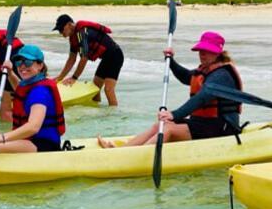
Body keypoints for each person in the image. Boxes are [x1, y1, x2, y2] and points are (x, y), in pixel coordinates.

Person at [98, 31, 242, 148]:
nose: (202, 54)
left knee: (169, 129)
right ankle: (122, 151)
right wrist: (171, 61)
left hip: (222, 128)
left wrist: (175, 114)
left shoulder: (222, 75)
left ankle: (131, 158)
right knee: (159, 126)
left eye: (207, 51)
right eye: (201, 50)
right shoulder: (206, 70)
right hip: (203, 124)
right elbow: (186, 77)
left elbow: (201, 98)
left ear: (217, 53)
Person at [0, 45, 65, 154]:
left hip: (43, 145)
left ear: (40, 65)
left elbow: (33, 127)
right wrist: (10, 73)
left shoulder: (40, 92)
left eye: (27, 62)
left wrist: (3, 137)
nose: (22, 66)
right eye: (19, 62)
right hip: (29, 140)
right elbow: (20, 91)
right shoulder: (32, 84)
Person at [52, 14, 124, 106]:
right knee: (95, 89)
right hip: (107, 58)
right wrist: (60, 77)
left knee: (108, 90)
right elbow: (71, 59)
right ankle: (97, 111)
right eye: (59, 31)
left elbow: (84, 58)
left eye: (62, 29)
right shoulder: (73, 38)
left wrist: (74, 78)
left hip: (115, 56)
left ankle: (114, 115)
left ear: (69, 24)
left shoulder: (82, 33)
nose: (61, 33)